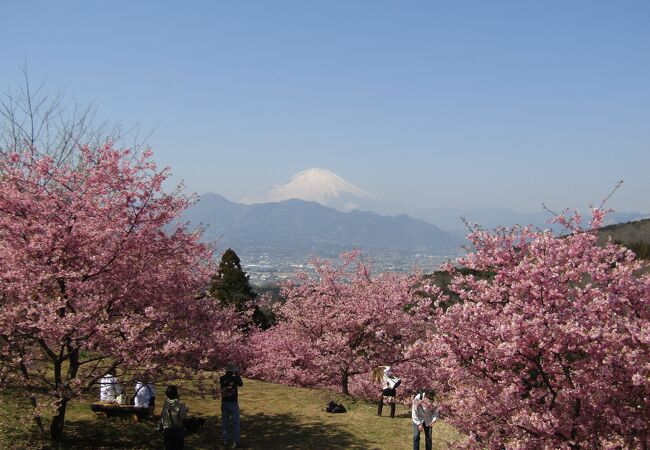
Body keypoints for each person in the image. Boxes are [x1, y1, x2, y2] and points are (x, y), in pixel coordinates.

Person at [220, 361, 244, 448]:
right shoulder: (235, 378)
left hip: (224, 402)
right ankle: (236, 441)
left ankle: (225, 441)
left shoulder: (221, 378)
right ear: (233, 370)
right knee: (236, 423)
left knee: (225, 423)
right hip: (233, 403)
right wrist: (236, 375)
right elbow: (241, 384)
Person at [160, 385, 188, 450]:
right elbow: (182, 417)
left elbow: (162, 415)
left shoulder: (165, 403)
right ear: (176, 394)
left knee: (168, 447)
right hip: (177, 430)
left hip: (166, 430)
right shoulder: (181, 404)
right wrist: (185, 410)